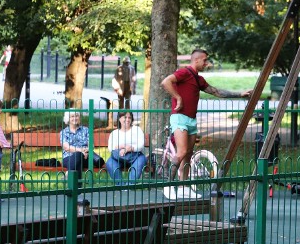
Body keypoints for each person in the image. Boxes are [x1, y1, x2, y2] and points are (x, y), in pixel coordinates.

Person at [161, 49, 252, 200]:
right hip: (179, 118)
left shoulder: (198, 79)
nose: (207, 64)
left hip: (191, 120)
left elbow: (216, 92)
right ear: (196, 60)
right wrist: (178, 97)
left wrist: (240, 94)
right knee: (182, 152)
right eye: (205, 61)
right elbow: (166, 82)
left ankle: (184, 187)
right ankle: (168, 186)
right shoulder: (184, 72)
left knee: (188, 155)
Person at [60, 111, 105, 186]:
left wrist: (86, 150)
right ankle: (78, 191)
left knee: (81, 157)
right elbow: (67, 147)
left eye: (77, 116)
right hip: (68, 158)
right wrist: (81, 151)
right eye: (72, 116)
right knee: (78, 156)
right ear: (68, 119)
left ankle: (69, 175)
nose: (75, 118)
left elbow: (91, 145)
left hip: (85, 157)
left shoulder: (86, 130)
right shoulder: (64, 132)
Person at [105, 112, 147, 185]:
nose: (127, 119)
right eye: (125, 117)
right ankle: (121, 187)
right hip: (118, 157)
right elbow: (110, 148)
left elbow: (141, 145)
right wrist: (122, 146)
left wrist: (130, 149)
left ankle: (129, 187)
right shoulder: (114, 133)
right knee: (110, 163)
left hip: (135, 156)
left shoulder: (137, 130)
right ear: (119, 119)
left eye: (129, 117)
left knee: (140, 162)